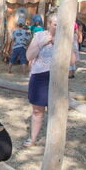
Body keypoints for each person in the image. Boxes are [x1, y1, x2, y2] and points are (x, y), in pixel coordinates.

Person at [23, 14, 56, 147]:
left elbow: (72, 61)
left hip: (56, 77)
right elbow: (29, 56)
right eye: (55, 24)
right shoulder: (40, 36)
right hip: (39, 76)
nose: (57, 27)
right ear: (49, 24)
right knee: (37, 110)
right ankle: (33, 138)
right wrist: (42, 44)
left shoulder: (66, 38)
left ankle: (54, 141)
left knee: (55, 111)